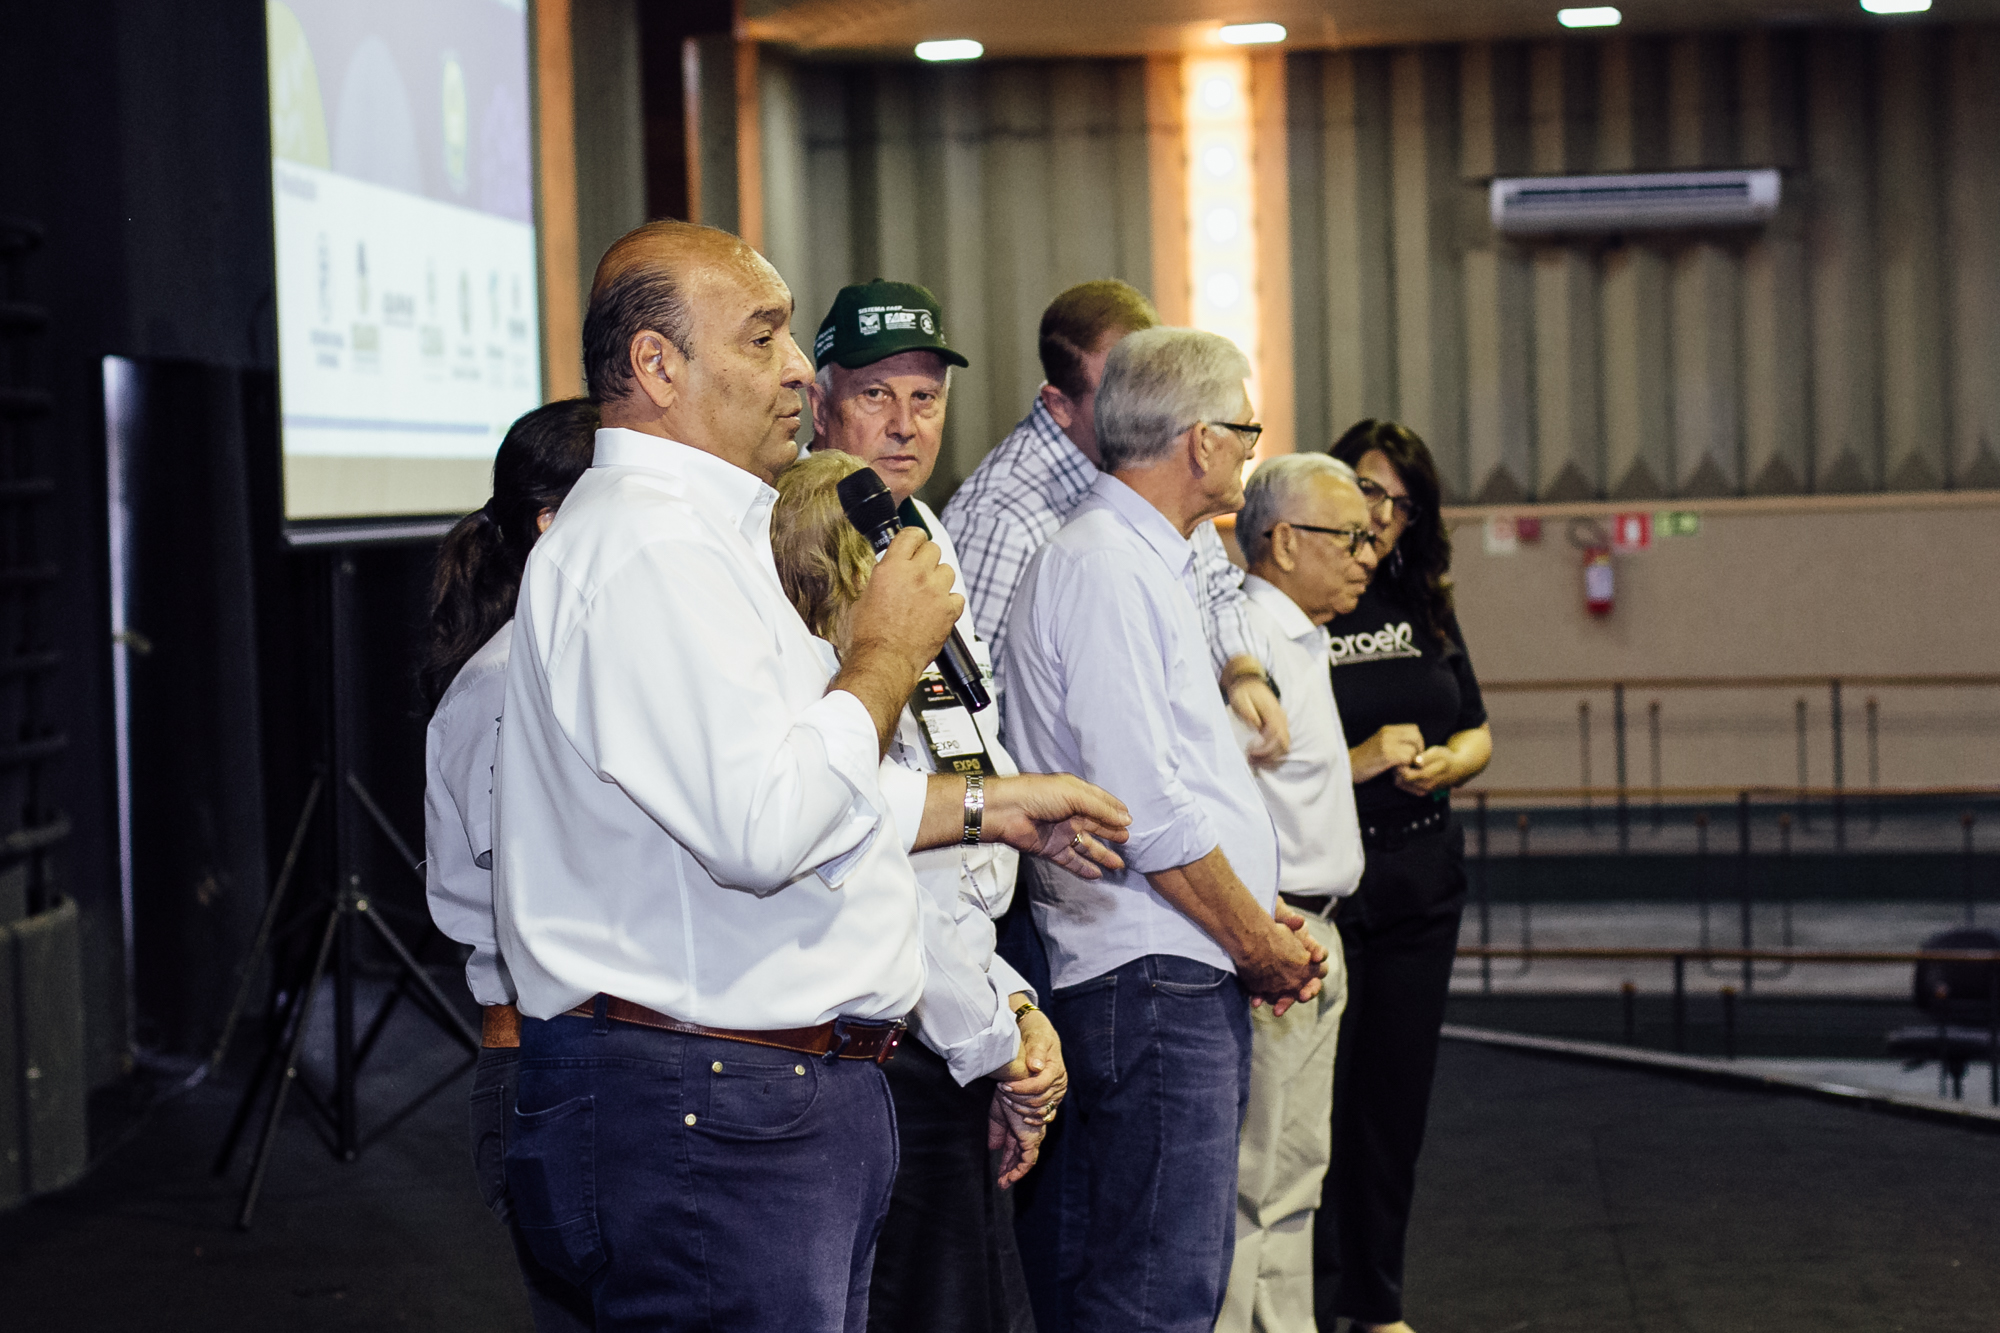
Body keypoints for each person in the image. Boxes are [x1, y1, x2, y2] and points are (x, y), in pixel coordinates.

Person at [490, 220, 1129, 1333]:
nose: (797, 368)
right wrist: (886, 649)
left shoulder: (709, 537)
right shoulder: (651, 550)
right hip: (709, 1104)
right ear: (656, 364)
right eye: (764, 335)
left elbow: (805, 789)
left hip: (751, 1099)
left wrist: (988, 803)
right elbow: (766, 825)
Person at [1000, 326, 1327, 1333]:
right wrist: (1256, 940)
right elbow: (1145, 808)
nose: (1249, 447)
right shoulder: (1104, 565)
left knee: (1146, 1276)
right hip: (1149, 973)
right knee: (1156, 1290)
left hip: (1165, 959)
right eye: (1245, 427)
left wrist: (1249, 912)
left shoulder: (1149, 557)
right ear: (1195, 440)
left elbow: (1178, 778)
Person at [802, 279, 1069, 1333]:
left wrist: (1004, 1002)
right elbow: (863, 819)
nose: (907, 423)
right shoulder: (804, 545)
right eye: (877, 394)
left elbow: (965, 757)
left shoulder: (919, 532)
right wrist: (986, 1028)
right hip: (882, 1012)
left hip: (957, 987)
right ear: (821, 401)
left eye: (924, 395)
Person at [421, 396, 599, 1333]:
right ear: (554, 522)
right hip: (544, 1060)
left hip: (575, 1059)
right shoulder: (503, 686)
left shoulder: (554, 667)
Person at [1313, 420, 1494, 1333]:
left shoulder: (1423, 597)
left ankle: (1374, 1301)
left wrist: (1448, 764)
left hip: (1424, 876)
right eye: (1368, 491)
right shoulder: (1305, 594)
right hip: (1334, 881)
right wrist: (1364, 754)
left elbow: (1477, 726)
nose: (1382, 514)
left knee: (1393, 1106)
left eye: (1400, 499)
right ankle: (1307, 1295)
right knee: (1318, 1111)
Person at [939, 279, 1286, 755]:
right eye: (1120, 391)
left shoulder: (1169, 465)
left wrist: (1242, 671)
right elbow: (971, 712)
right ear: (1058, 405)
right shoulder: (1001, 518)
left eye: (1158, 387)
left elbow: (1215, 589)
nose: (1148, 407)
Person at [1216, 454, 1376, 1333]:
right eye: (1348, 536)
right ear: (1283, 541)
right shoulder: (1248, 631)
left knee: (1297, 1167)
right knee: (1255, 1171)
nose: (1366, 554)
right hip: (1278, 930)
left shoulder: (1301, 637)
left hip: (1324, 928)